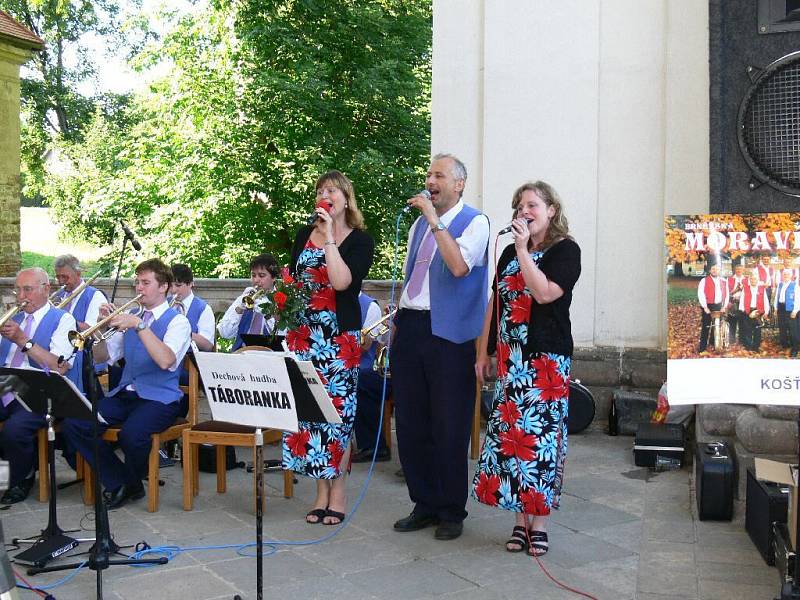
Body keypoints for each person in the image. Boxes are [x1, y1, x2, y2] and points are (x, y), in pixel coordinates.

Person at [473, 181, 580, 556]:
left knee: (542, 442)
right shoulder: (507, 254)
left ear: (551, 210)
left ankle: (540, 523)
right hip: (511, 360)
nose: (524, 211)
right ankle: (519, 521)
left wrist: (522, 251)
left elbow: (544, 293)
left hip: (546, 362)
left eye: (532, 204)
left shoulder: (566, 251)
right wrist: (483, 352)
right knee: (512, 443)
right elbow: (496, 303)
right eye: (519, 205)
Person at [391, 153, 490, 541]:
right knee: (412, 423)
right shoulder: (418, 225)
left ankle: (451, 509)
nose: (430, 180)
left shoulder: (475, 222)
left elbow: (459, 267)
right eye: (429, 174)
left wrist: (434, 221)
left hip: (450, 335)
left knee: (448, 424)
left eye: (439, 175)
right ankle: (424, 503)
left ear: (459, 184)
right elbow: (413, 278)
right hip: (413, 326)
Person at [282, 170, 374, 526]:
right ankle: (320, 492)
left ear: (346, 199)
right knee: (309, 416)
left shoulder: (359, 241)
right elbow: (292, 281)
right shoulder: (305, 234)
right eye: (321, 189)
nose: (325, 194)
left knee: (336, 418)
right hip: (304, 337)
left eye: (332, 189)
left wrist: (332, 239)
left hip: (338, 340)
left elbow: (341, 283)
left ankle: (338, 494)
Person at [61, 259, 191, 509]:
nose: (138, 289)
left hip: (160, 398)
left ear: (163, 287)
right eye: (137, 283)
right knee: (75, 423)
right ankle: (124, 482)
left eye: (145, 283)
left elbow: (165, 361)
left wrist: (139, 326)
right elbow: (102, 357)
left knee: (132, 435)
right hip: (127, 394)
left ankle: (126, 484)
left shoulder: (178, 322)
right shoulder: (132, 315)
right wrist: (100, 329)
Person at [0, 267, 80, 504]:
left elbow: (60, 366)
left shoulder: (63, 319)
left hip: (40, 391)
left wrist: (22, 340)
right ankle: (3, 478)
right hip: (6, 385)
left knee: (15, 430)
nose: (21, 296)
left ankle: (22, 477)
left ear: (46, 289)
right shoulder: (13, 317)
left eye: (28, 289)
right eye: (18, 290)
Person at [352, 292, 392, 463]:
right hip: (346, 364)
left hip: (366, 366)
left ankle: (373, 446)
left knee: (360, 379)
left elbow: (366, 344)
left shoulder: (369, 306)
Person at [217, 254, 279, 351]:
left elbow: (281, 335)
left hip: (271, 355)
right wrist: (239, 310)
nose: (256, 280)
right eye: (253, 275)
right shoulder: (244, 298)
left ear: (274, 277)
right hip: (242, 354)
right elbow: (225, 333)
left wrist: (264, 310)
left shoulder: (282, 300)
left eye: (261, 276)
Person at [53, 254, 107, 331]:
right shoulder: (59, 294)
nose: (61, 281)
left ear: (78, 274)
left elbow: (93, 329)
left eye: (65, 277)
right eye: (58, 277)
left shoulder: (95, 296)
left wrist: (63, 320)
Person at [697, 262, 729, 353]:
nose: (715, 271)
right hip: (708, 306)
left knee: (718, 326)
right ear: (710, 270)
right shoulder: (704, 280)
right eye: (713, 269)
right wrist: (704, 307)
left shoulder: (724, 281)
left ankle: (714, 344)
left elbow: (727, 295)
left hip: (719, 306)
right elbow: (701, 294)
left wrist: (724, 306)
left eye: (717, 269)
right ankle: (702, 348)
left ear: (720, 270)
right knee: (706, 326)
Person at [739, 271, 769, 351]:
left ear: (757, 280)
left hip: (758, 311)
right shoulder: (745, 288)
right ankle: (748, 347)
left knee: (757, 330)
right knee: (747, 329)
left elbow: (765, 300)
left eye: (755, 279)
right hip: (747, 310)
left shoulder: (762, 289)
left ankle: (756, 347)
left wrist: (766, 311)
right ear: (749, 280)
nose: (753, 281)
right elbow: (742, 299)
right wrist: (743, 310)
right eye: (751, 279)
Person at [773, 268, 800, 356]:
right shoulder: (780, 284)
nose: (786, 276)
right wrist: (776, 308)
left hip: (790, 310)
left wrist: (795, 311)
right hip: (781, 308)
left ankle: (795, 349)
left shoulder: (795, 285)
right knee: (782, 329)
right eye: (784, 275)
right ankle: (785, 346)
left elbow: (798, 299)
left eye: (787, 274)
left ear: (791, 276)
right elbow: (777, 296)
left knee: (793, 330)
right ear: (782, 276)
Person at [726, 263, 745, 345]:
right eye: (737, 269)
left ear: (743, 270)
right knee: (732, 322)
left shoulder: (746, 279)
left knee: (742, 322)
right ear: (734, 270)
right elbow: (727, 293)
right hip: (732, 301)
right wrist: (736, 290)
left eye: (740, 269)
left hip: (743, 302)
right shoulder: (729, 279)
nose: (739, 271)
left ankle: (741, 341)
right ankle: (732, 340)